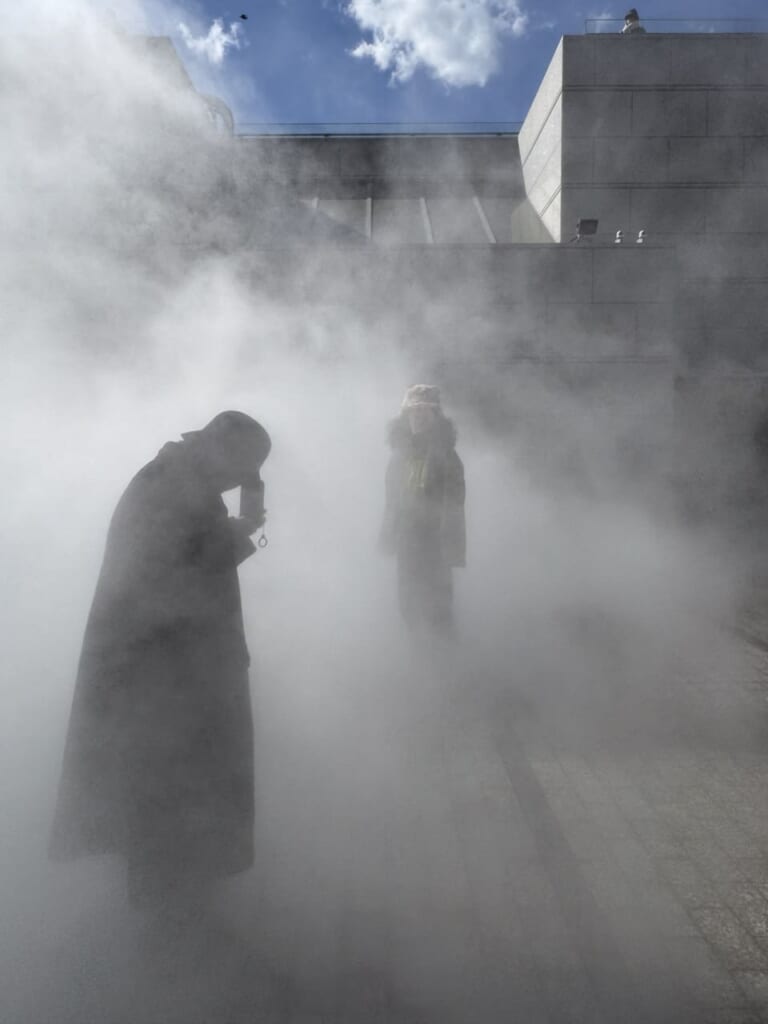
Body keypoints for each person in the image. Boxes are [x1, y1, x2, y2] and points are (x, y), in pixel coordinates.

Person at [49, 411, 271, 909]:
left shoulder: (181, 477)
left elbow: (196, 559)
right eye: (243, 467)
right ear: (224, 452)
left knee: (173, 786)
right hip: (159, 672)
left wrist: (244, 512)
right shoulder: (172, 487)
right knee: (159, 786)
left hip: (173, 665)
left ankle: (172, 894)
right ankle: (162, 915)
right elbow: (169, 580)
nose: (239, 479)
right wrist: (240, 530)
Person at [380, 385, 465, 634]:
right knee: (408, 608)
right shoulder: (399, 455)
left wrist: (450, 548)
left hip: (434, 543)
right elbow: (392, 500)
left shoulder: (446, 456)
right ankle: (422, 666)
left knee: (438, 611)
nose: (418, 417)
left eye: (425, 411)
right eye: (413, 412)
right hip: (407, 542)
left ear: (436, 417)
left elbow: (454, 505)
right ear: (405, 417)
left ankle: (447, 666)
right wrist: (388, 538)